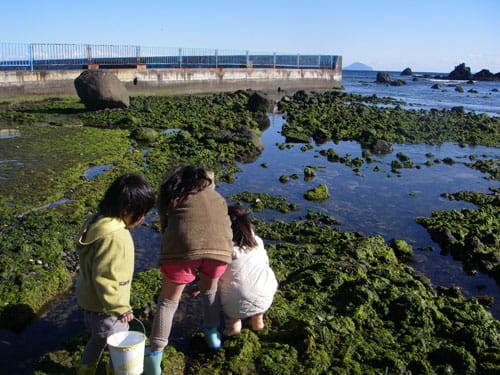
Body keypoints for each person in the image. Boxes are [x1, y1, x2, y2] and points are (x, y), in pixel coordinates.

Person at [144, 165, 233, 375]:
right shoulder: (218, 197)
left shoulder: (175, 198)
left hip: (182, 252)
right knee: (209, 291)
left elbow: (167, 229)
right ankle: (212, 335)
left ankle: (155, 356)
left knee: (168, 302)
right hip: (219, 250)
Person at [75, 173, 156, 375]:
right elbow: (109, 278)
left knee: (98, 337)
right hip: (107, 308)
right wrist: (121, 309)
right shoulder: (117, 237)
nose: (143, 218)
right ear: (127, 210)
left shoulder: (96, 221)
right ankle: (116, 371)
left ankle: (86, 368)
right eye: (142, 212)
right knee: (119, 347)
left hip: (88, 299)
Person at [219, 205, 278, 336]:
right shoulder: (257, 242)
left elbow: (214, 274)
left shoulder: (225, 249)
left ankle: (233, 327)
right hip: (265, 296)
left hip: (235, 302)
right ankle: (258, 323)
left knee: (229, 288)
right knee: (257, 280)